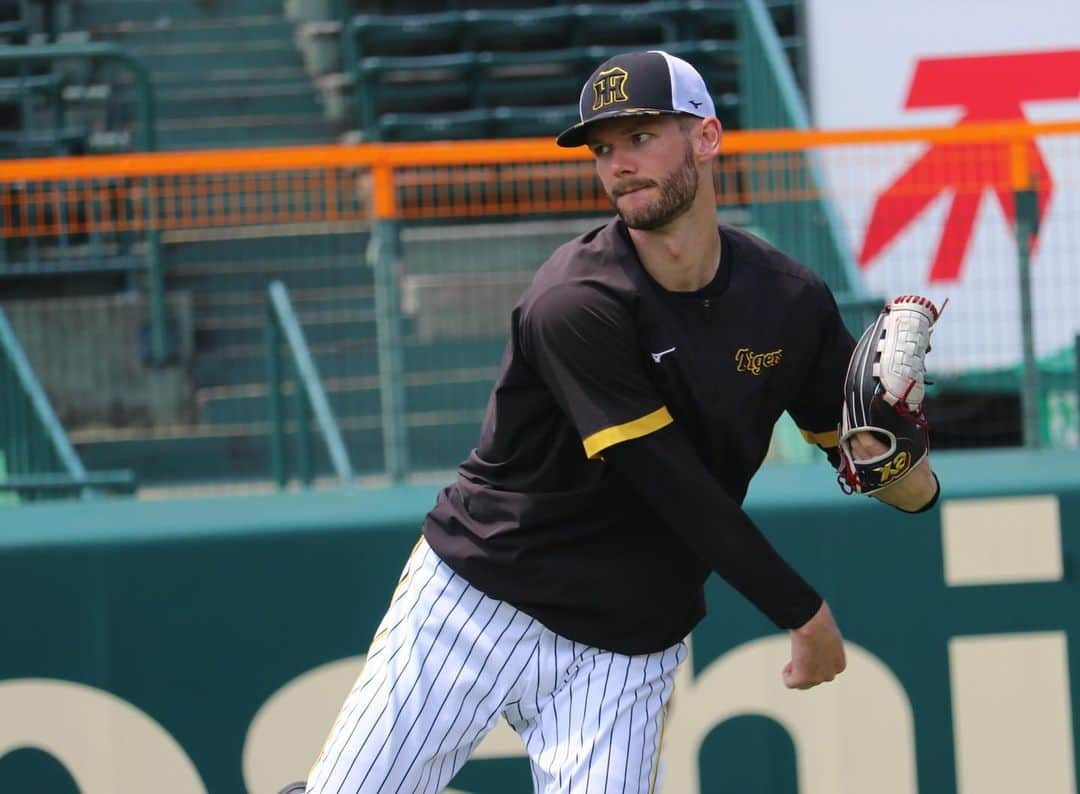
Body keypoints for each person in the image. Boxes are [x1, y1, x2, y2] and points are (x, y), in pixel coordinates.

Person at [305, 49, 940, 794]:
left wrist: (894, 447)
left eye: (641, 137)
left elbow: (906, 492)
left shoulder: (788, 303)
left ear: (707, 138)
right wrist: (801, 610)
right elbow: (671, 486)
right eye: (603, 148)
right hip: (479, 601)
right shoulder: (574, 301)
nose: (618, 164)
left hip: (629, 642)